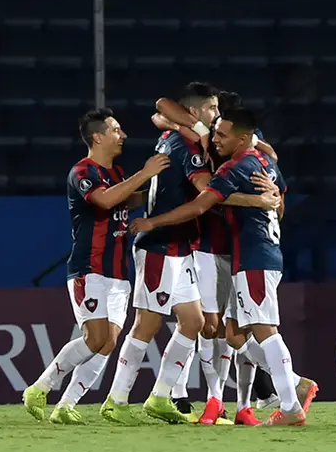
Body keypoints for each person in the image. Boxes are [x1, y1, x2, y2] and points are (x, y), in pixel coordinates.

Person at [99, 87, 278, 426]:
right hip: (161, 245)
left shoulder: (177, 136)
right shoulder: (189, 146)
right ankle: (116, 399)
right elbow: (207, 192)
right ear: (196, 113)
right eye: (211, 108)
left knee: (196, 323)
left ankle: (161, 396)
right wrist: (256, 201)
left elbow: (161, 112)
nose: (216, 113)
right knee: (147, 324)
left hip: (181, 247)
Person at [131, 108, 317, 426]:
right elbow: (280, 207)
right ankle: (291, 388)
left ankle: (290, 405)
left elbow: (201, 204)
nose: (215, 140)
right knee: (233, 334)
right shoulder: (266, 163)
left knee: (266, 331)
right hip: (258, 255)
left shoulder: (236, 167)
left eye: (222, 135)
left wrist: (153, 221)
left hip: (254, 258)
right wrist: (266, 199)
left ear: (242, 139)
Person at [21, 108, 169, 423]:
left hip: (118, 273)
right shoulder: (82, 172)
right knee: (95, 338)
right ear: (98, 137)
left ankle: (66, 406)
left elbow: (126, 199)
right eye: (116, 130)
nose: (123, 135)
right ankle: (40, 387)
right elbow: (103, 200)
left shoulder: (117, 174)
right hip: (89, 269)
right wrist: (145, 173)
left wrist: (164, 188)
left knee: (108, 342)